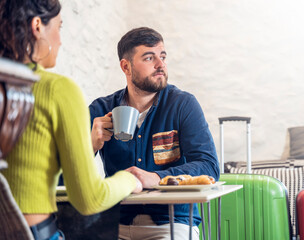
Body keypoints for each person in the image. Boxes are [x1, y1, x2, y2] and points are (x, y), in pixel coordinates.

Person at [0, 1, 142, 239]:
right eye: (59, 27)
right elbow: (89, 199)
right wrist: (129, 179)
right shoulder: (58, 90)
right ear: (37, 26)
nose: (60, 40)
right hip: (33, 233)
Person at [89, 27, 220, 240]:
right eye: (149, 58)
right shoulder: (100, 110)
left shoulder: (183, 104)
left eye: (163, 56)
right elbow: (67, 173)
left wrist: (157, 178)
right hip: (114, 224)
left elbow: (209, 166)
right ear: (126, 66)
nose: (160, 65)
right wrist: (91, 145)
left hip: (172, 222)